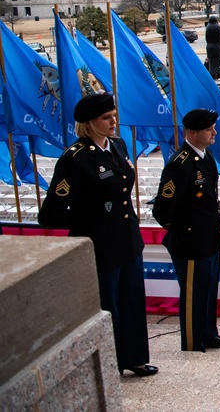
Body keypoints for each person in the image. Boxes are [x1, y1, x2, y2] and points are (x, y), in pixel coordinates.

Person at [38, 93, 157, 377]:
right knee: (107, 306)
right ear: (89, 123)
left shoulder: (117, 146)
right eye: (106, 118)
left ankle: (134, 357)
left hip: (127, 239)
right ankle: (108, 364)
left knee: (131, 301)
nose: (113, 121)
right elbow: (50, 214)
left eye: (114, 115)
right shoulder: (75, 159)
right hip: (100, 244)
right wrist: (88, 218)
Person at [152, 108, 220, 352]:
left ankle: (209, 333)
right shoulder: (180, 164)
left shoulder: (205, 156)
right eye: (209, 129)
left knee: (207, 292)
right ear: (192, 132)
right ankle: (192, 339)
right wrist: (183, 232)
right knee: (193, 295)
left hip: (208, 239)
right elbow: (162, 210)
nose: (214, 133)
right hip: (189, 242)